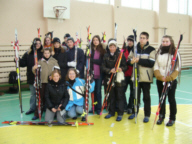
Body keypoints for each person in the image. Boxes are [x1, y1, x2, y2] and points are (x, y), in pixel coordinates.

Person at [127, 32, 156, 123]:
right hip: (136, 76)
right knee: (135, 96)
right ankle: (135, 112)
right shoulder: (135, 49)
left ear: (147, 39)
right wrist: (131, 61)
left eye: (144, 38)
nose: (142, 39)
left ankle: (147, 115)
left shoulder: (151, 49)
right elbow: (128, 59)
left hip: (146, 78)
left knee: (146, 97)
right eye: (141, 38)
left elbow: (151, 63)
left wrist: (139, 60)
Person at [154, 35, 181, 126]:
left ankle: (172, 118)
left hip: (171, 81)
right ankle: (161, 116)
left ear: (171, 42)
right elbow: (156, 66)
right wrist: (160, 76)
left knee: (171, 99)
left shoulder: (175, 53)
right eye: (163, 41)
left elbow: (177, 68)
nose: (164, 43)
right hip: (160, 80)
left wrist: (169, 78)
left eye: (167, 41)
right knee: (161, 99)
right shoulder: (158, 53)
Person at [101, 39, 127, 121]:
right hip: (109, 78)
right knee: (110, 96)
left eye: (113, 47)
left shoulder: (120, 55)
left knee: (120, 96)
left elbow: (125, 66)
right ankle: (111, 112)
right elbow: (103, 67)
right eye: (110, 47)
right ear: (108, 47)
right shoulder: (105, 55)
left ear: (116, 47)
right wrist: (109, 70)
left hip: (119, 78)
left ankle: (120, 113)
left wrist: (121, 68)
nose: (112, 48)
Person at [32, 48, 59, 120]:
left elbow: (57, 71)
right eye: (45, 53)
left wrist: (52, 75)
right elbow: (35, 72)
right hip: (43, 83)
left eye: (48, 53)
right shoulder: (40, 61)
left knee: (52, 98)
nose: (46, 54)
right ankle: (38, 113)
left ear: (50, 53)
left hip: (51, 83)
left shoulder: (54, 61)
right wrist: (33, 68)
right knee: (41, 98)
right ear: (43, 54)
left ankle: (55, 112)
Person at [19, 38, 43, 115]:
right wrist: (18, 60)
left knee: (42, 93)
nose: (38, 45)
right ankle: (32, 108)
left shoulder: (43, 53)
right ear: (33, 44)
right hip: (31, 77)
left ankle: (43, 107)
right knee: (33, 94)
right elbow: (22, 63)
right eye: (36, 43)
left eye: (39, 43)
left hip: (41, 77)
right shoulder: (28, 53)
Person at [88, 35, 106, 115]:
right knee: (93, 91)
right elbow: (88, 61)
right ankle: (94, 107)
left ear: (99, 41)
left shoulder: (102, 50)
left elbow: (101, 62)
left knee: (98, 91)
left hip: (99, 73)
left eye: (97, 40)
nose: (95, 41)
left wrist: (92, 60)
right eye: (94, 40)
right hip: (91, 73)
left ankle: (99, 108)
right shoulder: (90, 50)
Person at [122, 35, 134, 114]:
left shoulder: (136, 50)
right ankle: (125, 106)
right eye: (128, 41)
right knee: (122, 91)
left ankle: (130, 106)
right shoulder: (124, 50)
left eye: (131, 41)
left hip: (133, 74)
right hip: (125, 74)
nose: (129, 42)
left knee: (133, 92)